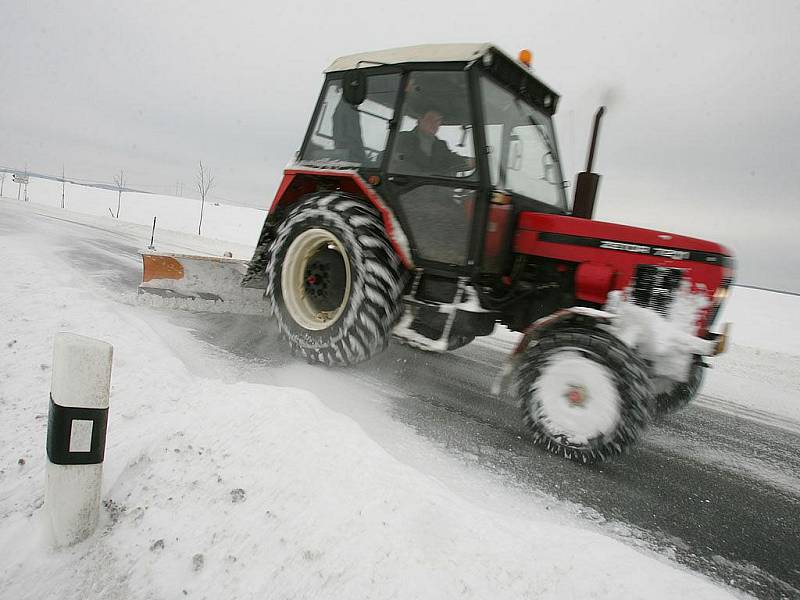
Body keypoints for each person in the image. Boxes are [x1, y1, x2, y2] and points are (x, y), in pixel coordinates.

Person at [392, 107, 474, 177]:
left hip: (435, 190)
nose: (434, 124)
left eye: (438, 121)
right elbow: (390, 160)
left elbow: (450, 159)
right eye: (430, 119)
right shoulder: (403, 138)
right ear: (420, 120)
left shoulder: (441, 146)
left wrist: (467, 162)